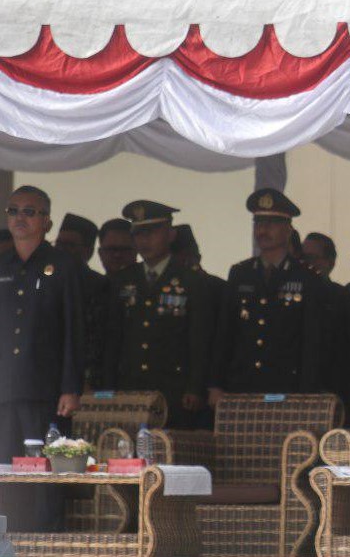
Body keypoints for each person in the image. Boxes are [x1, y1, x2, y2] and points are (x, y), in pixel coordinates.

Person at [0, 186, 83, 531]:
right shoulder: (2, 263)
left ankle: (45, 544)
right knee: (5, 475)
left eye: (30, 211)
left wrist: (70, 387)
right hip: (4, 389)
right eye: (14, 210)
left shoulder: (63, 265)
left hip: (45, 390)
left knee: (44, 477)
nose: (20, 217)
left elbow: (73, 329)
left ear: (47, 221)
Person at [102, 201, 216, 427]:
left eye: (152, 232)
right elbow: (112, 339)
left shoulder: (192, 281)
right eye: (139, 234)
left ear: (171, 234)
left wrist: (195, 387)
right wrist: (107, 386)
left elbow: (199, 339)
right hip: (130, 387)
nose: (144, 240)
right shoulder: (122, 280)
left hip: (173, 388)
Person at [209, 189, 329, 403]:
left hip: (286, 388)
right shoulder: (240, 273)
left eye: (271, 224)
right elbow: (225, 333)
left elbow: (311, 342)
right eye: (258, 223)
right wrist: (216, 384)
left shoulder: (306, 278)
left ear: (288, 230)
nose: (262, 230)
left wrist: (307, 393)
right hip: (241, 385)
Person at [55, 213, 112, 388]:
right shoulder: (44, 280)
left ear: (88, 251)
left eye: (70, 245)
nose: (61, 250)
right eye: (59, 243)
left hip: (89, 379)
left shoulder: (101, 286)